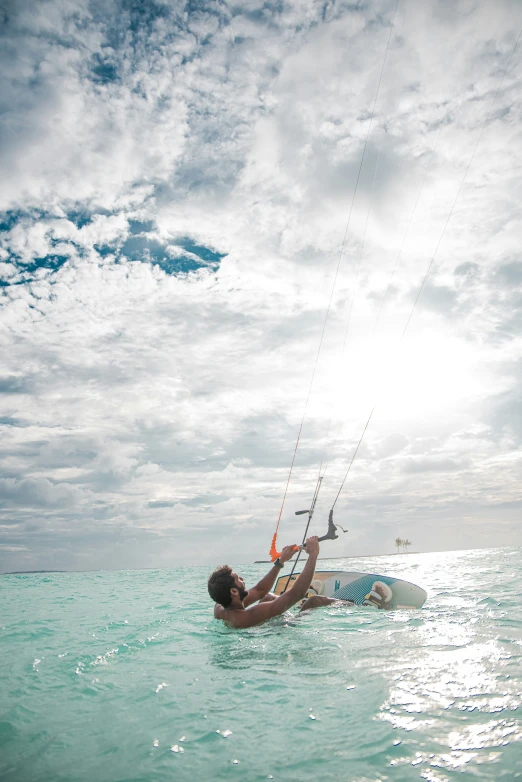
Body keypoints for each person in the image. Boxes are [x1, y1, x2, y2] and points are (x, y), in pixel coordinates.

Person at [208, 536, 337, 629]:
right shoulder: (249, 615)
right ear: (234, 591)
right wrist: (313, 554)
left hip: (267, 623)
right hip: (283, 629)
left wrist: (281, 561)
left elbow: (260, 590)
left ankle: (293, 606)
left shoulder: (219, 608)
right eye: (238, 578)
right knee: (314, 601)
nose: (242, 578)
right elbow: (297, 593)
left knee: (268, 596)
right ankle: (355, 607)